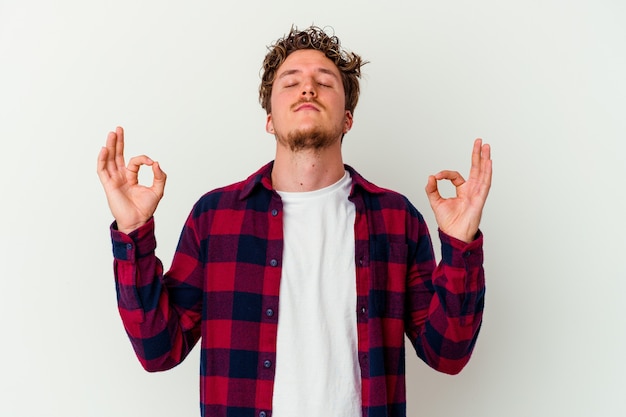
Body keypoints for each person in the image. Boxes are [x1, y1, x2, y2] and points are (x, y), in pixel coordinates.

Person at [97, 26, 492, 417]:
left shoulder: (396, 219)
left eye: (324, 82)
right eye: (291, 82)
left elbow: (447, 354)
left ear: (347, 119)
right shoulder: (215, 217)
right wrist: (133, 233)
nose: (308, 89)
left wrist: (461, 245)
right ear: (270, 119)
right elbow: (158, 351)